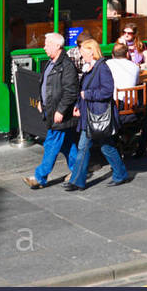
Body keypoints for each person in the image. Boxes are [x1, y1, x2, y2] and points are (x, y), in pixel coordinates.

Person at [69, 36, 131, 191]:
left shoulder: (102, 67)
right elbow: (83, 90)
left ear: (92, 52)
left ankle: (77, 181)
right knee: (105, 146)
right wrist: (78, 104)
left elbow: (107, 91)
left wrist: (87, 95)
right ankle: (121, 173)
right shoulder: (90, 67)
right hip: (90, 114)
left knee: (86, 147)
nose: (81, 55)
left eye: (83, 52)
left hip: (97, 115)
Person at [23, 32, 82, 190]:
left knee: (51, 144)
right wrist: (41, 102)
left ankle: (39, 177)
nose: (44, 47)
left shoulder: (67, 66)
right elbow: (45, 85)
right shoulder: (51, 62)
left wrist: (61, 111)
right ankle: (79, 171)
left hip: (60, 114)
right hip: (51, 110)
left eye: (47, 44)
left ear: (57, 46)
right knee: (67, 144)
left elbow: (71, 92)